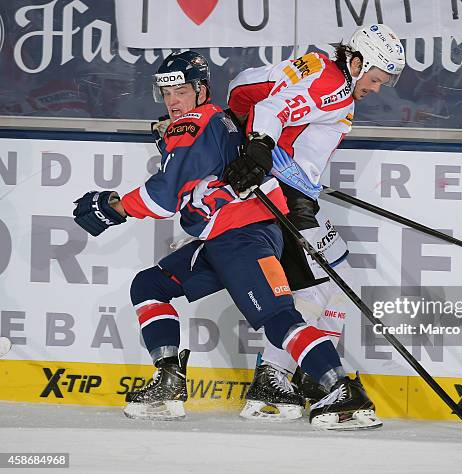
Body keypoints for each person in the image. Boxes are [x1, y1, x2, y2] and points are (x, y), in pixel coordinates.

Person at [72, 50, 381, 430]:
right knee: (149, 285)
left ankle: (339, 391)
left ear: (201, 90)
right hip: (223, 238)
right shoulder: (221, 120)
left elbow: (162, 197)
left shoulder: (192, 126)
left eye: (181, 92)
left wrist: (113, 207)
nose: (173, 102)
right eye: (166, 94)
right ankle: (169, 380)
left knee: (279, 318)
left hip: (243, 238)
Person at [224, 24, 405, 420]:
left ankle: (302, 375)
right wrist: (259, 149)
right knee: (322, 286)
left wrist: (299, 178)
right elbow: (268, 109)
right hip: (275, 192)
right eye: (374, 78)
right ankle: (278, 378)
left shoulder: (331, 73)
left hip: (286, 187)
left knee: (338, 279)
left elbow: (260, 98)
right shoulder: (334, 85)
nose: (376, 88)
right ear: (356, 62)